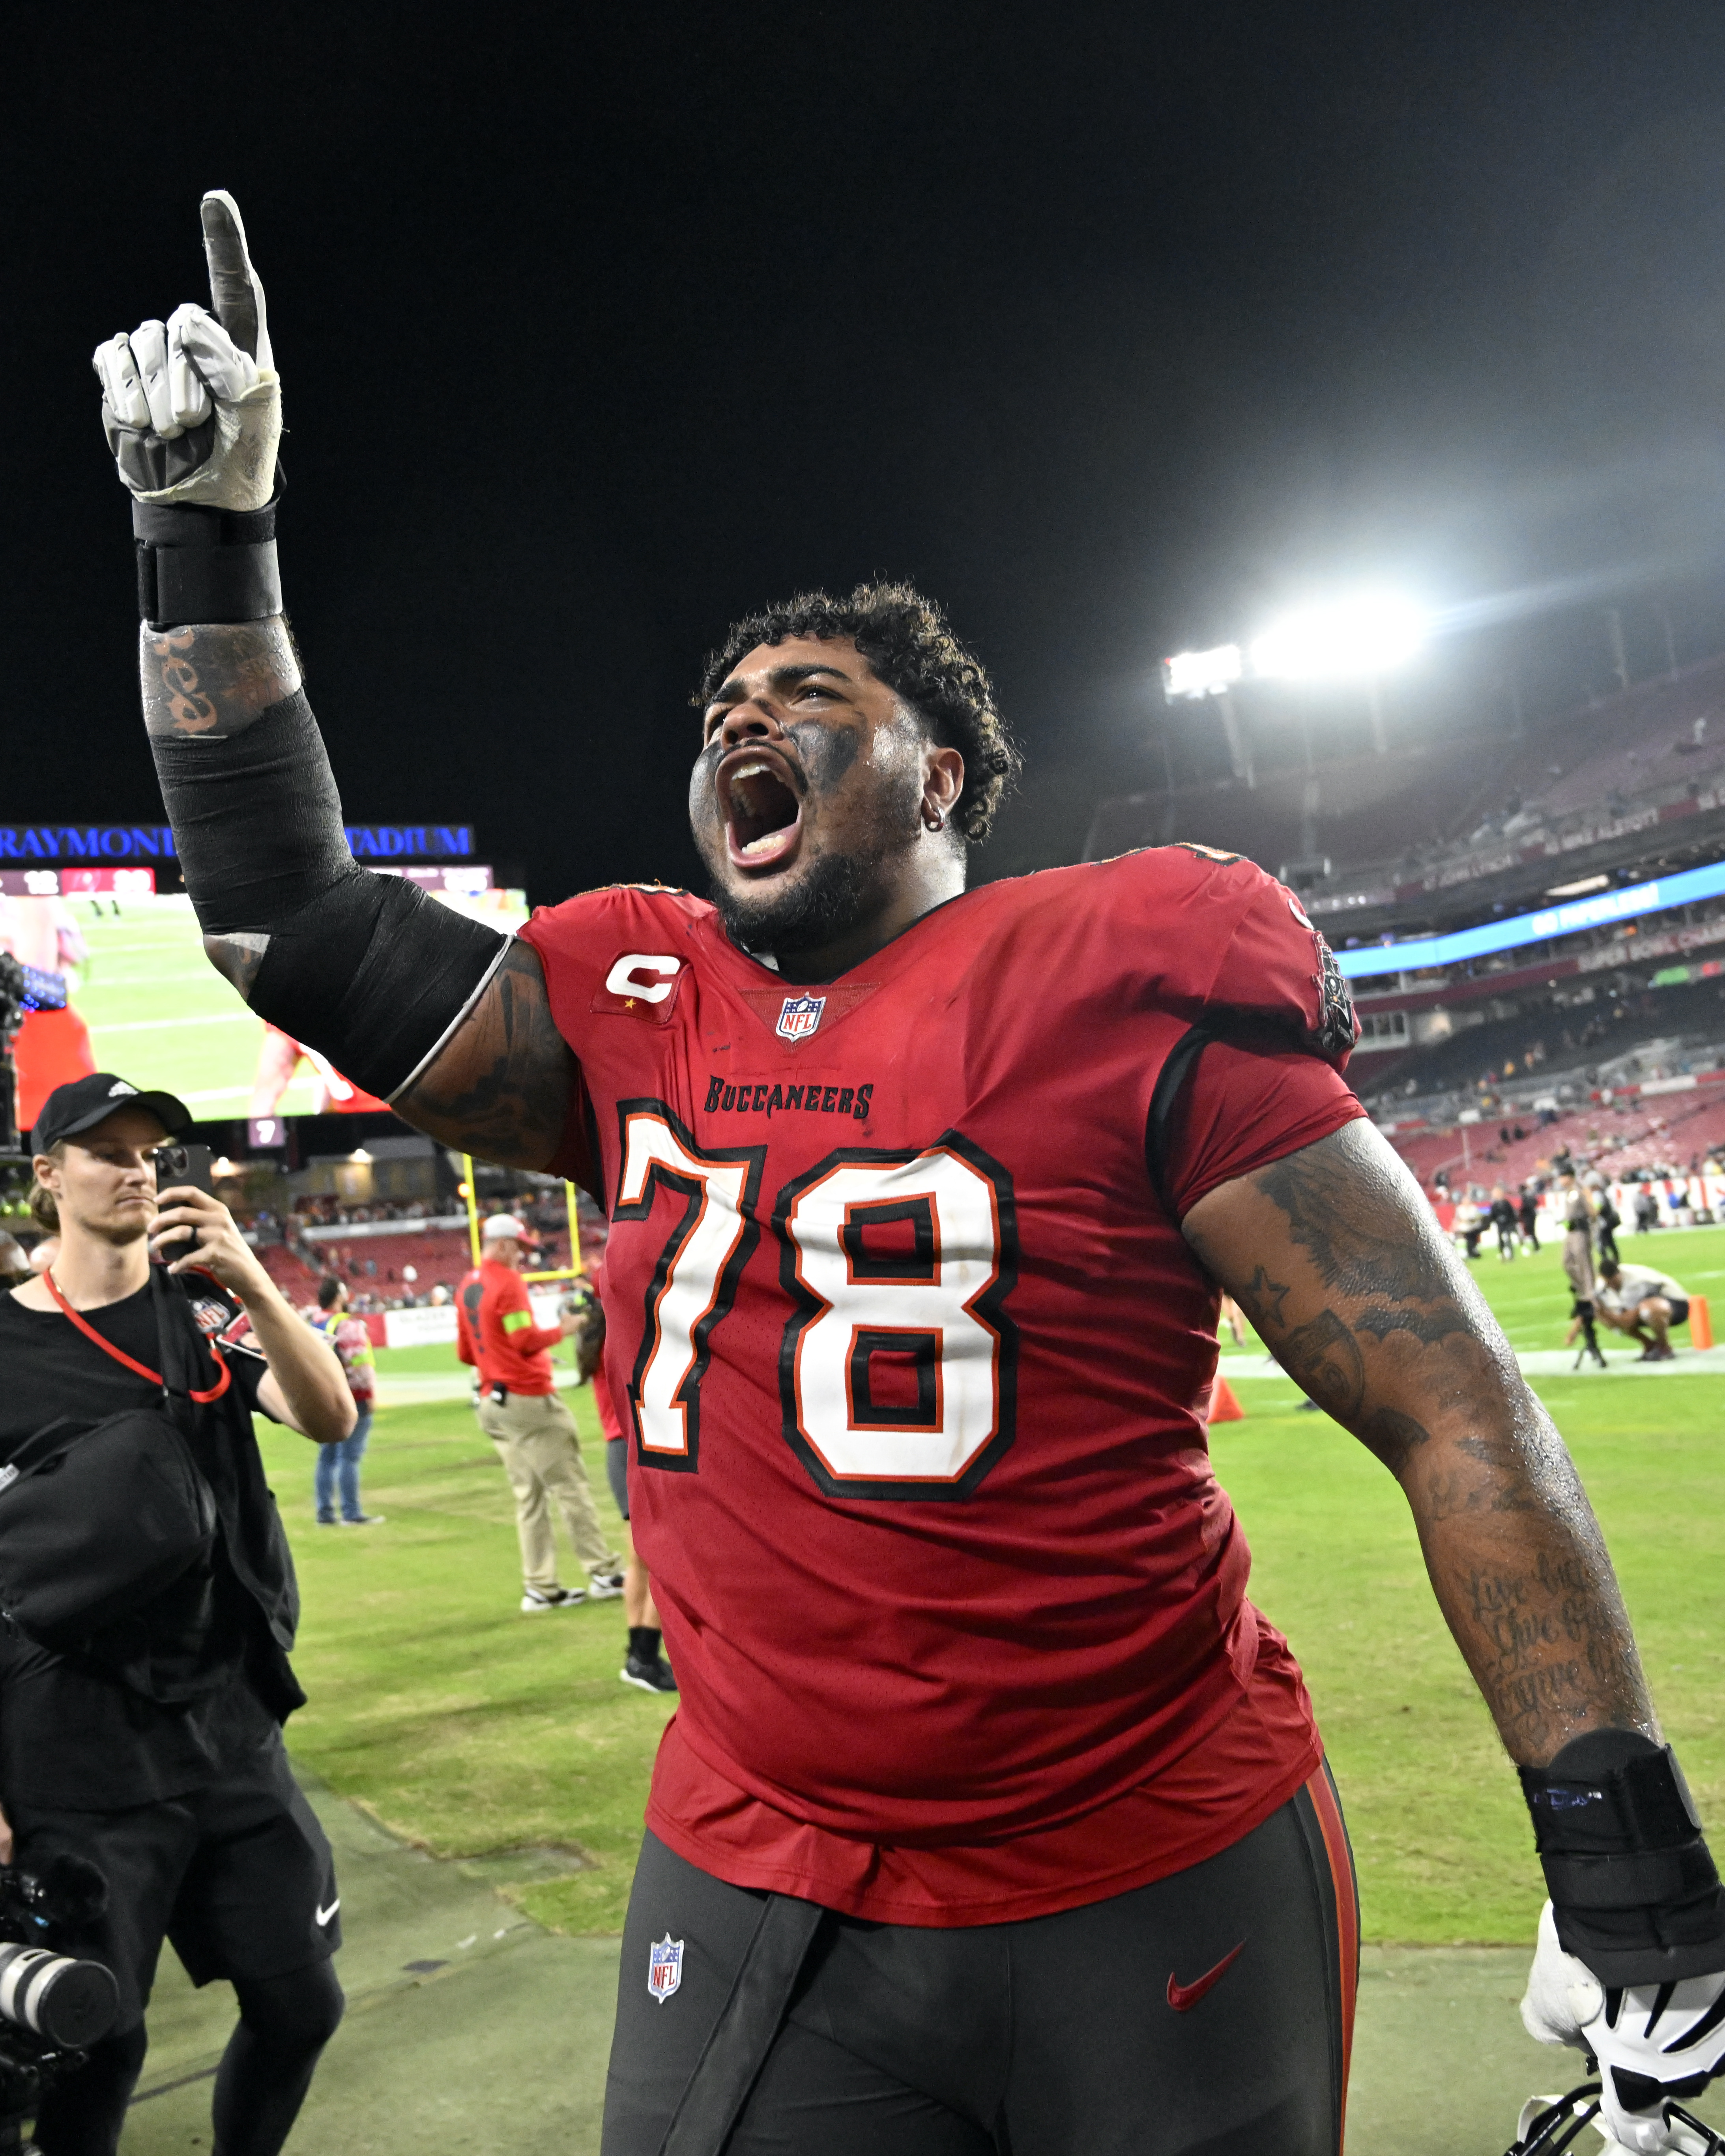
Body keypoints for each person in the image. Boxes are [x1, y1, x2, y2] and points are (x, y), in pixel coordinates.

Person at [90, 193, 1725, 2156]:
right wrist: (204, 539)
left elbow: (1445, 1398)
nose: (742, 722)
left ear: (942, 773)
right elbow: (286, 925)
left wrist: (1619, 1858)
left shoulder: (1120, 965)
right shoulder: (633, 993)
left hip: (1148, 1864)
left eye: (810, 697)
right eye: (720, 710)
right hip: (760, 1860)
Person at [0, 1071, 356, 2156]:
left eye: (150, 1151)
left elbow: (326, 1412)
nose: (136, 1169)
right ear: (47, 1174)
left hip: (225, 1734)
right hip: (76, 1760)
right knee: (96, 2049)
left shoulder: (201, 1310)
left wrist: (247, 1272)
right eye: (105, 1150)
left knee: (302, 2006)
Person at [470, 1215, 624, 1611]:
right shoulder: (507, 1283)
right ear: (503, 1245)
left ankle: (540, 1584)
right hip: (527, 1399)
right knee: (569, 1485)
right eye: (519, 1247)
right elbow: (523, 1338)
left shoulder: (468, 1285)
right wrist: (564, 1329)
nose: (522, 1256)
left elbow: (465, 1351)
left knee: (530, 1497)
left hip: (492, 1399)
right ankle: (603, 1571)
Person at [567, 1280, 676, 1694]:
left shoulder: (598, 1339)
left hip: (622, 1448)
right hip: (640, 1446)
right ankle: (644, 1657)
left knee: (641, 1557)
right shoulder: (625, 1331)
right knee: (666, 1555)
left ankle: (641, 1655)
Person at [308, 1275, 382, 1525]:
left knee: (327, 1456)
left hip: (322, 1396)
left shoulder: (315, 1323)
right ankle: (351, 1512)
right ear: (339, 1297)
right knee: (349, 1456)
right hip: (351, 1397)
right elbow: (359, 1363)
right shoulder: (347, 1324)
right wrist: (369, 1394)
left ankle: (325, 1513)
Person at [1596, 1258, 1690, 1362]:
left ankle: (1664, 1347)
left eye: (1614, 1282)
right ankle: (1650, 1345)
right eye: (1609, 1283)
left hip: (1676, 1305)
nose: (1612, 1286)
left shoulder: (1639, 1280)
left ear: (1619, 1275)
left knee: (1650, 1308)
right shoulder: (1600, 1286)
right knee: (1600, 1313)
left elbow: (1629, 1320)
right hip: (1643, 1311)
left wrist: (1612, 1316)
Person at [1488, 1184, 1519, 1262]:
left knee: (1508, 1240)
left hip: (1507, 1224)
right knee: (1501, 1240)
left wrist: (1513, 1222)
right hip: (1500, 1225)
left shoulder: (1506, 1203)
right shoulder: (1494, 1205)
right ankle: (1503, 1255)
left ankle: (1511, 1255)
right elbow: (1492, 1215)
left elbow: (1512, 1213)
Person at [1517, 1181, 1540, 1253]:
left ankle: (1537, 1248)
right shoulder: (1530, 1195)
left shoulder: (1525, 1197)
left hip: (1528, 1217)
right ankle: (1536, 1247)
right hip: (1532, 1215)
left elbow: (1525, 1206)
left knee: (1531, 1232)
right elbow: (1536, 1202)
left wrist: (1521, 1211)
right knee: (1532, 1232)